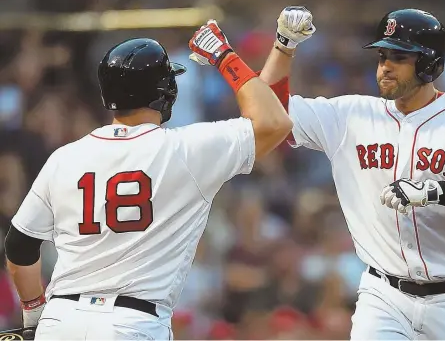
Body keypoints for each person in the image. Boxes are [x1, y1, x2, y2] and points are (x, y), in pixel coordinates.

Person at [4, 20, 292, 340]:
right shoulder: (187, 149)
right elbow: (275, 122)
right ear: (165, 92)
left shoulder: (65, 157)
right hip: (132, 322)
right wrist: (223, 55)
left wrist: (34, 316)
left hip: (61, 320)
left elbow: (19, 245)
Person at [259, 7, 445, 340]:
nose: (385, 65)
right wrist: (284, 47)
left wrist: (437, 192)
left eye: (399, 57)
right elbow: (268, 115)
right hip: (384, 296)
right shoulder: (351, 116)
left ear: (429, 64)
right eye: (382, 55)